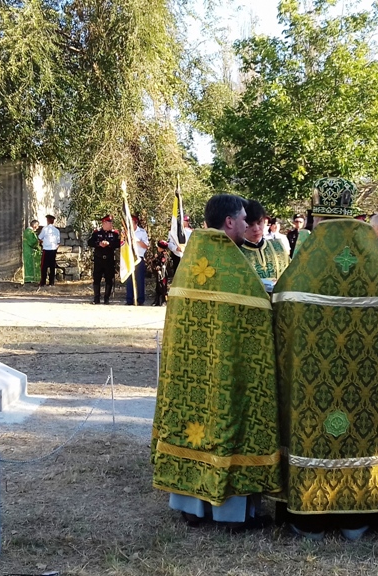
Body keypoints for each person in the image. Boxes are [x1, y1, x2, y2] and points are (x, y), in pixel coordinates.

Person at [273, 177, 378, 540]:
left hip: (312, 380)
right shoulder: (371, 253)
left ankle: (309, 518)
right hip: (366, 382)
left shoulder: (309, 253)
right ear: (352, 210)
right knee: (361, 430)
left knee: (314, 430)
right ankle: (361, 517)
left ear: (318, 213)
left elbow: (283, 300)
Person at [152, 193, 281, 530]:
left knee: (192, 428)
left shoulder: (193, 258)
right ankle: (230, 515)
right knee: (227, 428)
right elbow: (259, 315)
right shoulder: (232, 265)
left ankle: (191, 508)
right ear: (229, 222)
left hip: (191, 375)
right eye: (242, 219)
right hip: (228, 374)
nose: (246, 224)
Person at [240, 200, 290, 287]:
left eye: (259, 223)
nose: (256, 229)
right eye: (250, 224)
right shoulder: (236, 251)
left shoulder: (278, 246)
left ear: (264, 221)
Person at [87, 215, 120, 304]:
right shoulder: (97, 232)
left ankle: (106, 298)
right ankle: (96, 298)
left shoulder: (115, 233)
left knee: (109, 279)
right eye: (110, 223)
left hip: (109, 259)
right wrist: (99, 244)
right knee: (97, 278)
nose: (111, 224)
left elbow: (118, 243)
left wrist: (109, 243)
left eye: (111, 222)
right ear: (104, 223)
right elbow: (90, 242)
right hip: (98, 259)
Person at [125, 215, 149, 305]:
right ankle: (129, 299)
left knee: (139, 279)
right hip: (129, 257)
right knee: (129, 279)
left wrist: (137, 240)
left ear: (136, 223)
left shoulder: (142, 232)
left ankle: (140, 299)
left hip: (139, 258)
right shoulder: (126, 232)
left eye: (131, 223)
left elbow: (146, 246)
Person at [167, 215, 192, 281]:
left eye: (187, 221)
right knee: (177, 276)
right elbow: (169, 243)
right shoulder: (172, 232)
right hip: (177, 255)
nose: (187, 222)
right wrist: (176, 248)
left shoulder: (191, 232)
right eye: (185, 221)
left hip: (188, 256)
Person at [39, 214, 61, 286]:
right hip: (53, 249)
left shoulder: (45, 229)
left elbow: (40, 238)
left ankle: (43, 282)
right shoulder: (57, 230)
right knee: (52, 266)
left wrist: (42, 243)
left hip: (46, 249)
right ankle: (51, 282)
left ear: (48, 221)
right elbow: (58, 242)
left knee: (44, 266)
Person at [149, 240, 171, 306]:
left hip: (163, 274)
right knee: (158, 287)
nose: (157, 248)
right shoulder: (158, 254)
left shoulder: (164, 255)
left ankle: (165, 301)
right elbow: (154, 261)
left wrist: (159, 267)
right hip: (158, 273)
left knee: (163, 287)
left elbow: (163, 264)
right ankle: (157, 301)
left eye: (158, 247)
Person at [22, 219, 41, 285]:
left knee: (29, 265)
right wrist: (38, 242)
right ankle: (30, 279)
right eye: (37, 226)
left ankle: (30, 279)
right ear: (35, 225)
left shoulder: (28, 231)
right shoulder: (29, 232)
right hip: (29, 251)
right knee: (30, 265)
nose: (38, 228)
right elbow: (32, 242)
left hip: (28, 251)